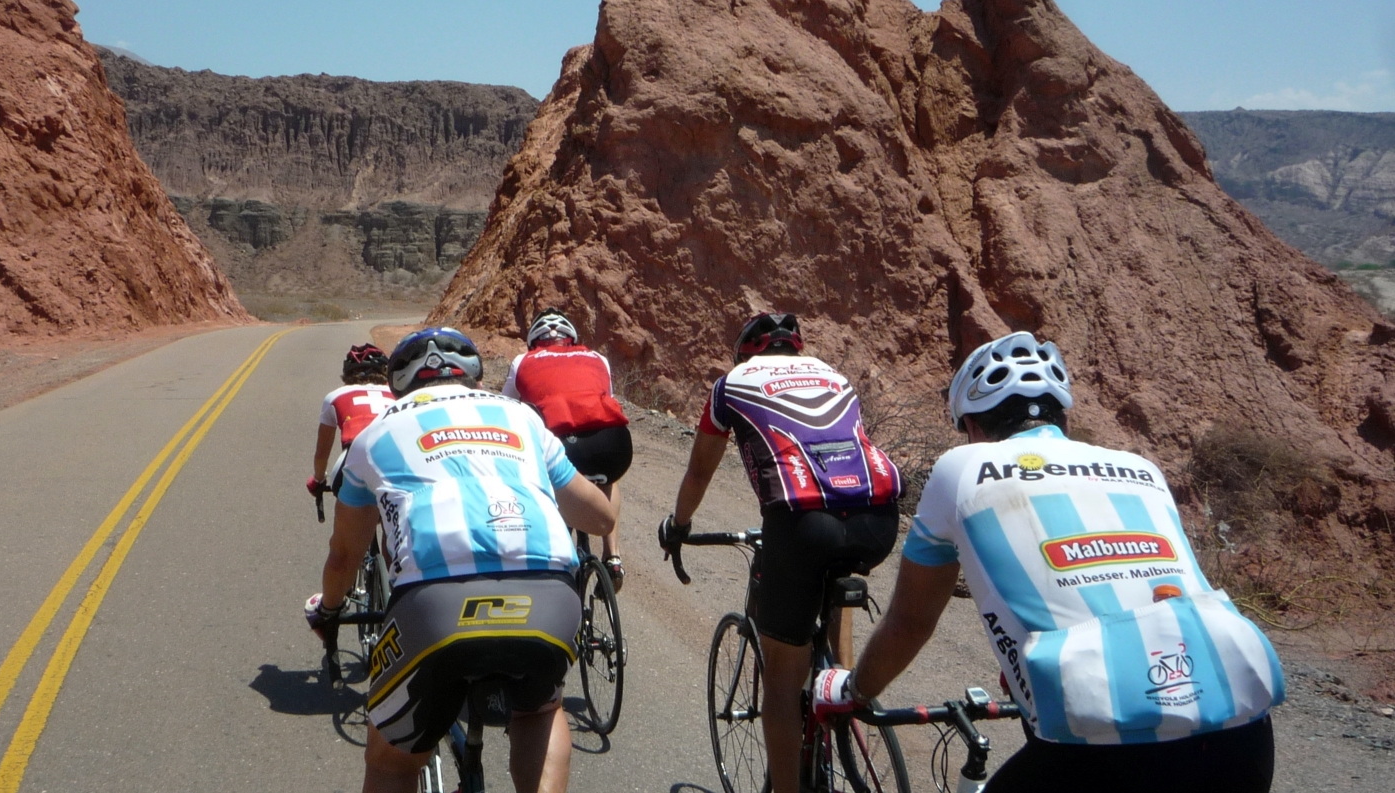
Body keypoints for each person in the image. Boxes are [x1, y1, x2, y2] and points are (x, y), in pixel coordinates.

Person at [814, 332, 1285, 793]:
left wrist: (853, 689)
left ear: (974, 429)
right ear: (1062, 416)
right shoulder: (1142, 468)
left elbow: (909, 623)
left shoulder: (962, 468)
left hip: (1103, 746)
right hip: (1242, 733)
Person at [306, 326, 616, 793]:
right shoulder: (523, 418)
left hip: (434, 607)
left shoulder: (374, 433)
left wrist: (329, 609)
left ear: (400, 383)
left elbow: (345, 554)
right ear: (473, 376)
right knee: (538, 710)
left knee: (391, 762)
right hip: (549, 595)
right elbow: (599, 517)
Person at [658, 312, 903, 793]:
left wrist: (678, 526)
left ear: (746, 354)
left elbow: (699, 473)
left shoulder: (731, 384)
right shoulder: (834, 376)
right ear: (798, 350)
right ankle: (845, 701)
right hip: (880, 518)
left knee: (783, 681)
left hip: (801, 522)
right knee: (836, 581)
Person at [503, 308, 634, 587]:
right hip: (613, 444)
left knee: (551, 486)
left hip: (564, 445)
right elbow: (605, 403)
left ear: (534, 341)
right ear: (571, 338)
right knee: (608, 477)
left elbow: (507, 413)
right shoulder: (597, 358)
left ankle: (557, 564)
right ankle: (613, 557)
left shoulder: (522, 361)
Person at [308, 343, 396, 501]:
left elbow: (322, 454)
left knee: (352, 522)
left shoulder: (334, 396)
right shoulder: (399, 394)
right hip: (396, 456)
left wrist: (318, 480)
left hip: (354, 459)